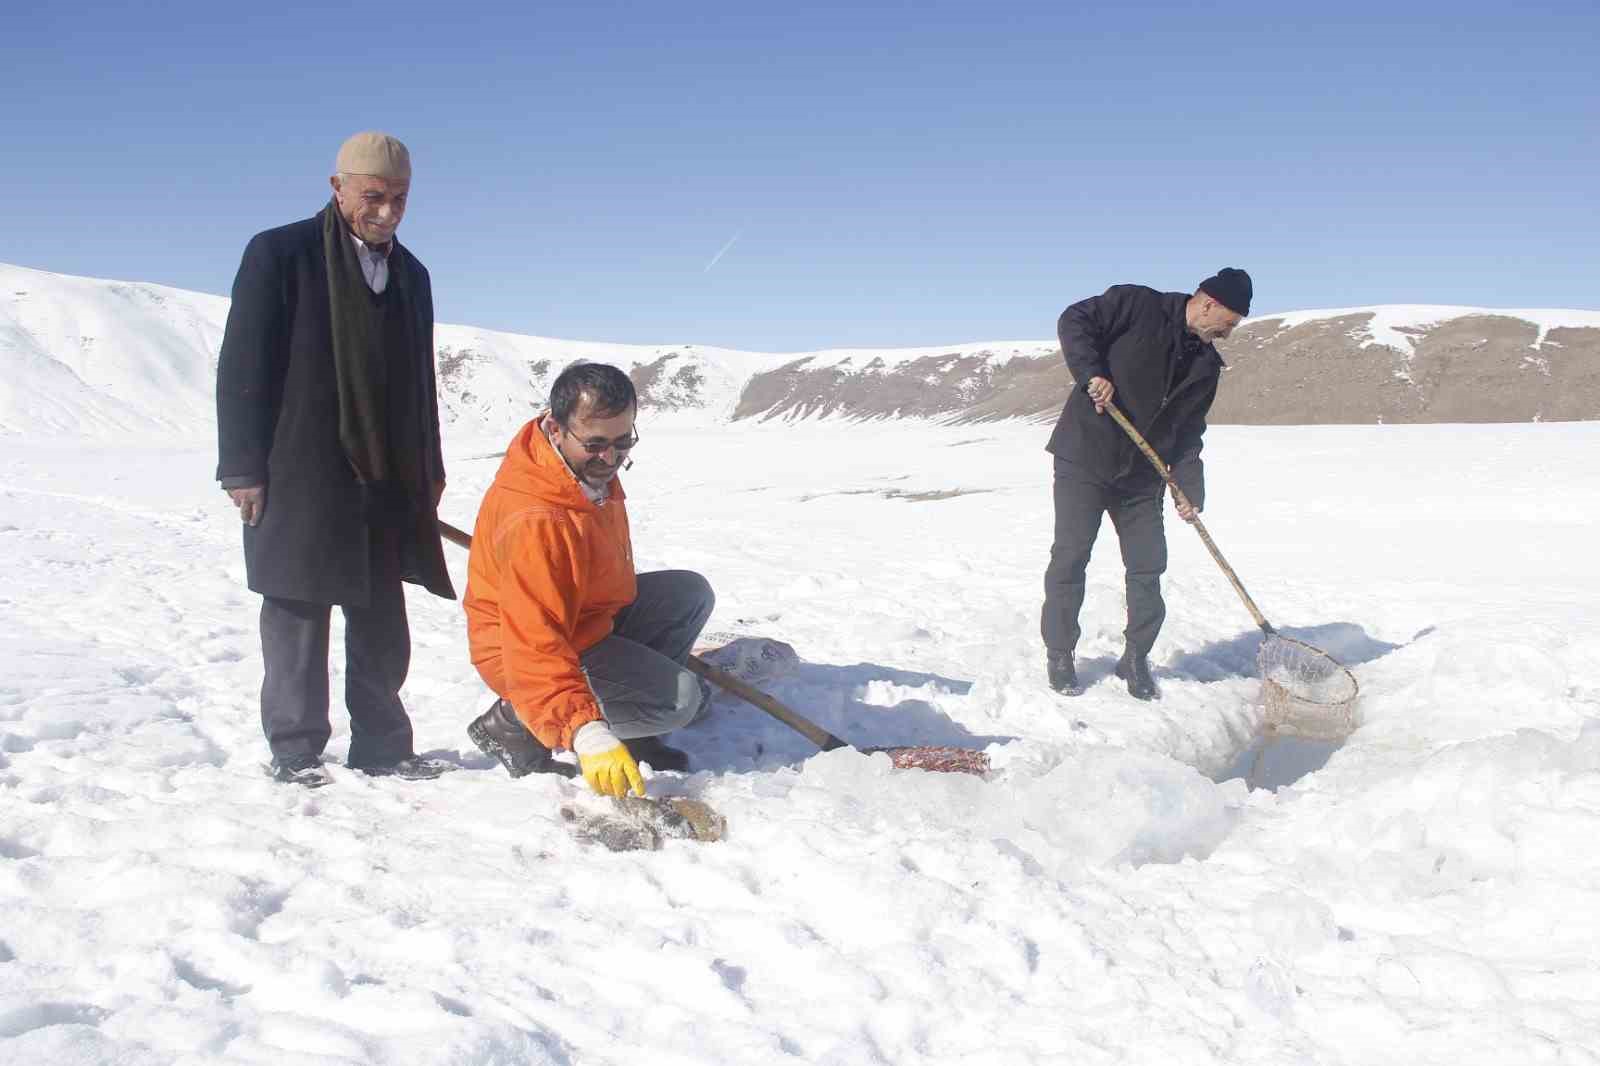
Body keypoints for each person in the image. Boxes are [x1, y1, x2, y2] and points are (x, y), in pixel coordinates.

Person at [215, 131, 455, 787]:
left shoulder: (412, 275)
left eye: (400, 199)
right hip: (300, 465)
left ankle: (383, 746)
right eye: (373, 197)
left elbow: (419, 384)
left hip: (386, 474)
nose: (386, 212)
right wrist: (242, 467)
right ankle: (295, 751)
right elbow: (244, 367)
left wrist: (429, 468)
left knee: (381, 613)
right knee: (296, 607)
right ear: (337, 187)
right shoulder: (280, 254)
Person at [463, 362, 714, 798]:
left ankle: (633, 729)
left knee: (686, 594)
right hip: (522, 650)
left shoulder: (580, 471)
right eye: (595, 444)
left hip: (583, 617)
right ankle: (514, 723)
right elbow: (533, 640)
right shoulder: (535, 520)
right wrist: (585, 730)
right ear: (556, 429)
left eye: (623, 442)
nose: (611, 458)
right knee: (678, 701)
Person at [1041, 268, 1252, 700]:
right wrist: (1091, 373)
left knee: (1147, 565)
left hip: (1142, 476)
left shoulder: (1206, 366)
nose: (1228, 334)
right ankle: (1060, 654)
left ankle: (1135, 657)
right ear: (1209, 303)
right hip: (1085, 457)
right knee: (1071, 556)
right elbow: (1074, 319)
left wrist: (1189, 488)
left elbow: (1189, 431)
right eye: (1228, 323)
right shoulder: (1136, 304)